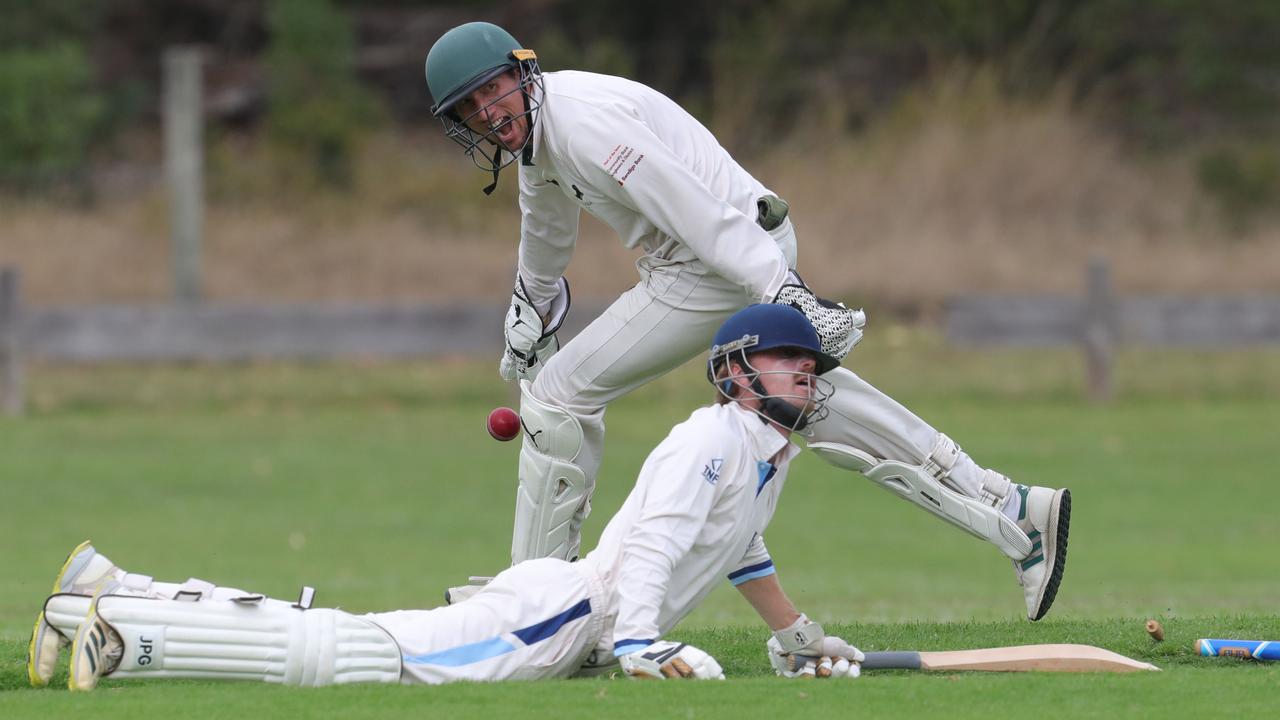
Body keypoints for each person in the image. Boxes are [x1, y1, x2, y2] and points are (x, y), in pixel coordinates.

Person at [423, 22, 1070, 621]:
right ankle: (1011, 508)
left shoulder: (584, 126)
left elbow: (694, 207)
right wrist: (528, 315)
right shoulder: (542, 141)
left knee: (558, 394)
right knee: (795, 402)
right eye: (469, 108)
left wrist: (779, 288)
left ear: (521, 73)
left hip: (714, 260)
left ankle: (534, 597)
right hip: (724, 253)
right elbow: (544, 233)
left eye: (492, 90)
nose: (488, 113)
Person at [29, 305, 866, 691]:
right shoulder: (711, 439)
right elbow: (654, 545)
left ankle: (115, 593)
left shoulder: (763, 456)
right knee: (363, 658)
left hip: (568, 617)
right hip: (567, 615)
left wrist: (791, 634)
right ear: (735, 372)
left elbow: (736, 549)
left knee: (362, 643)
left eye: (810, 364)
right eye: (790, 359)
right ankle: (122, 631)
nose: (807, 372)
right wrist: (643, 642)